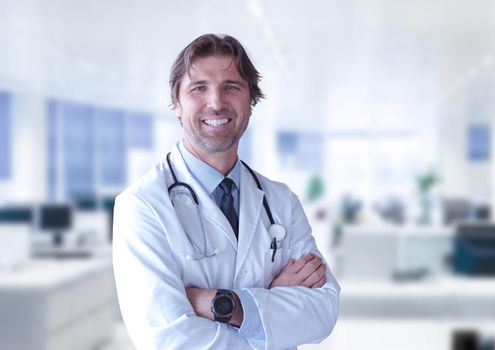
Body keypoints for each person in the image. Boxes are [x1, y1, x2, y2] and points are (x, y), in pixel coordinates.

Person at [112, 33, 340, 350]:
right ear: (176, 103)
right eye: (198, 88)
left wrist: (222, 304)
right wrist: (270, 308)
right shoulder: (141, 205)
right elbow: (166, 339)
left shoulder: (280, 200)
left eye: (231, 87)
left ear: (251, 101)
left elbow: (323, 312)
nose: (216, 102)